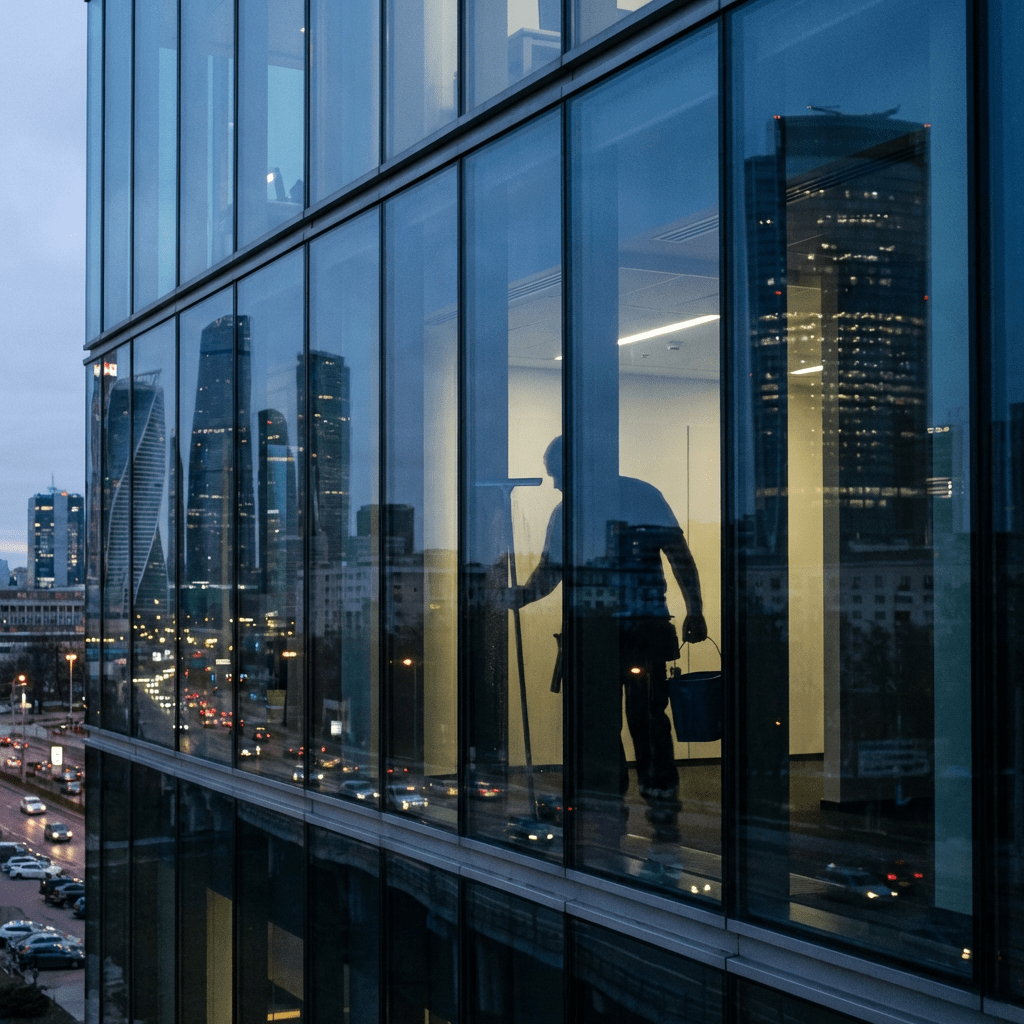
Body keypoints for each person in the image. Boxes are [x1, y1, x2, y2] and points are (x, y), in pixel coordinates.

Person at [507, 436, 707, 874]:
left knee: (636, 727)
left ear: (575, 467)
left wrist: (696, 608)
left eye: (557, 474)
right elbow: (554, 570)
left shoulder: (623, 499)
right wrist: (520, 595)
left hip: (629, 631)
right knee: (625, 728)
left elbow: (677, 554)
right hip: (624, 631)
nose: (556, 485)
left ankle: (643, 819)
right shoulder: (625, 498)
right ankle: (638, 818)